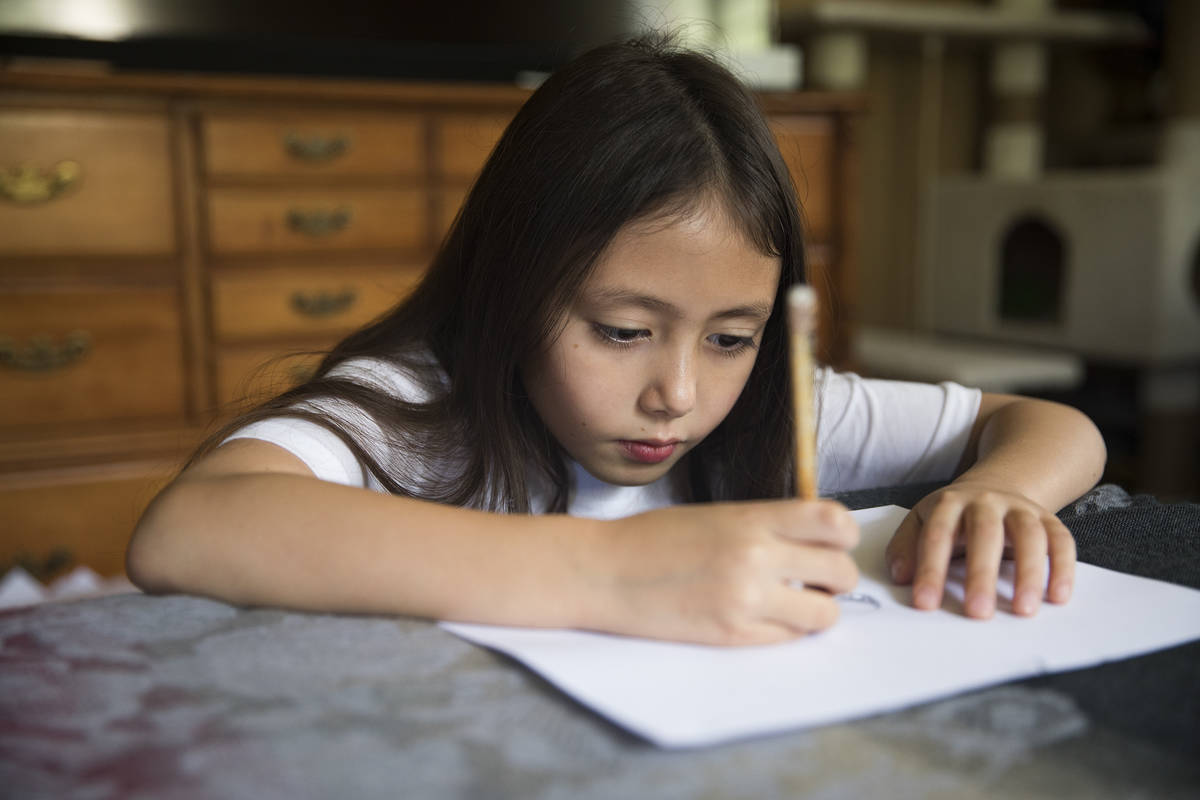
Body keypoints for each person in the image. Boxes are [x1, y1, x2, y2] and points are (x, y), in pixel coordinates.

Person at [126, 35, 1107, 646]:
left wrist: (999, 490)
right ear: (513, 289)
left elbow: (1049, 420)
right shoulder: (414, 410)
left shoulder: (775, 408)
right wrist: (607, 571)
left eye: (732, 336)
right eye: (623, 330)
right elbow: (188, 528)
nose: (677, 391)